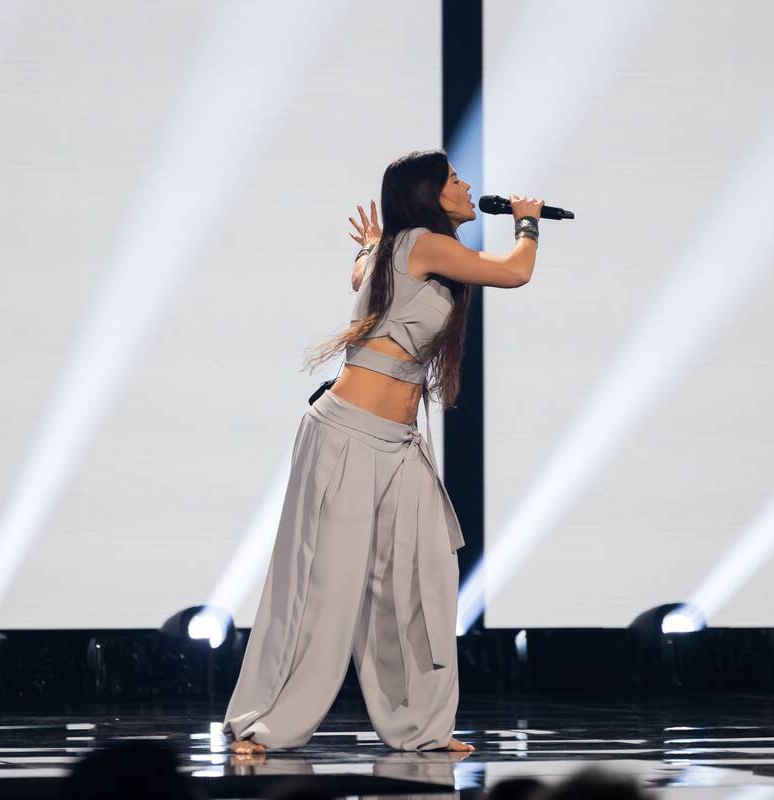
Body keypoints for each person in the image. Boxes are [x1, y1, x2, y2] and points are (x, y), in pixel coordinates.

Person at [222, 148, 543, 755]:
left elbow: (361, 276)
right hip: (346, 433)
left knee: (425, 579)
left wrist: (369, 249)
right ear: (427, 195)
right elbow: (515, 272)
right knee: (322, 585)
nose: (467, 187)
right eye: (455, 180)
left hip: (400, 445)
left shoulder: (402, 250)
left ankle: (422, 727)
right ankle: (264, 723)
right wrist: (526, 221)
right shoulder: (423, 242)